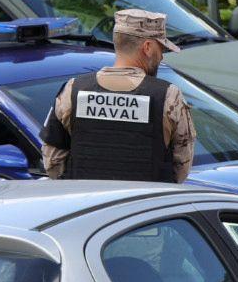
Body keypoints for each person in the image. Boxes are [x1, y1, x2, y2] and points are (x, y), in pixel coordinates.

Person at [41, 9, 195, 183]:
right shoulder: (168, 95)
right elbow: (181, 166)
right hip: (146, 199)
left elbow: (52, 161)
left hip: (86, 198)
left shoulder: (73, 89)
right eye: (161, 49)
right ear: (147, 47)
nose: (161, 58)